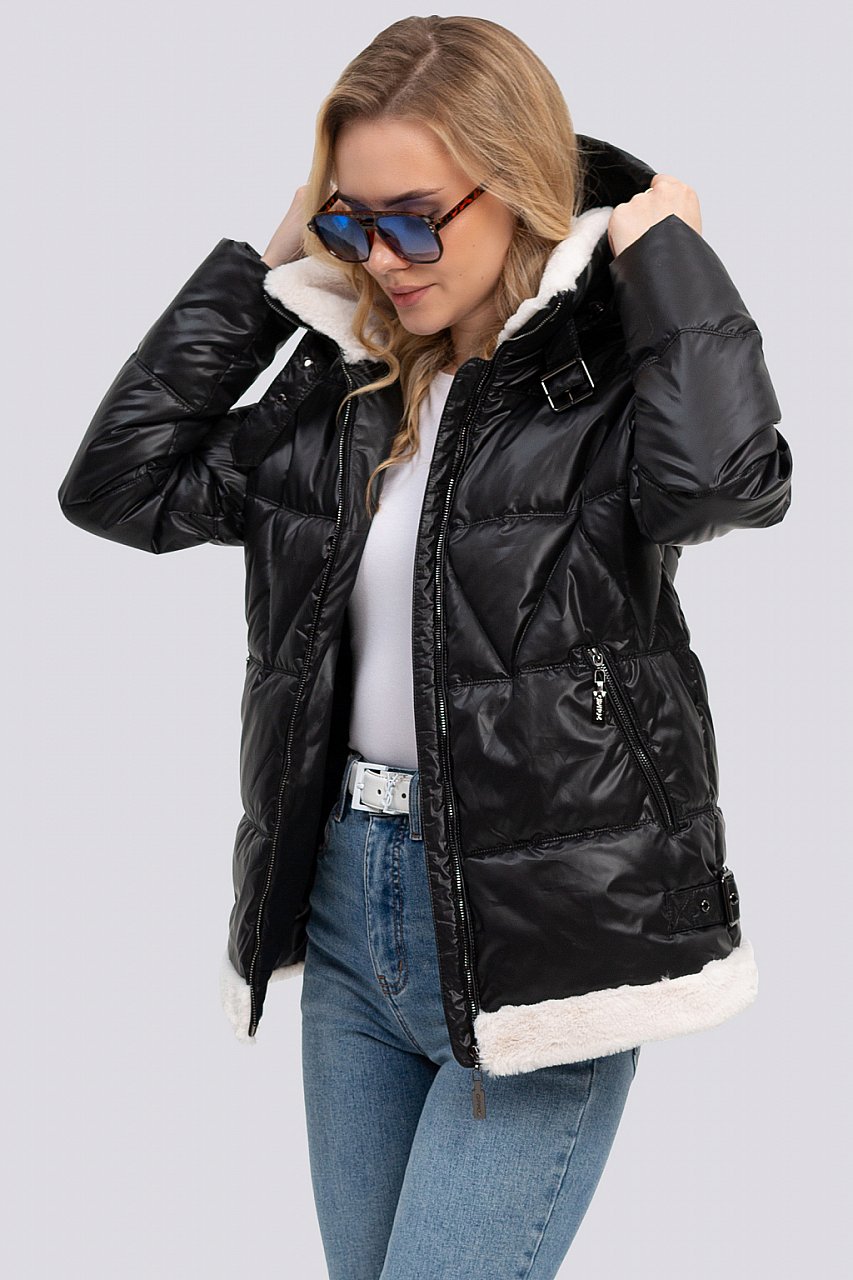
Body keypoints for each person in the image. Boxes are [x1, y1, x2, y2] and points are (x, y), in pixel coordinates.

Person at [56, 14, 793, 1279]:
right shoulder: (341, 390)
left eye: (414, 220)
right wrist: (269, 266)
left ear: (516, 188)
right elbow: (118, 485)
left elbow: (727, 482)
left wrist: (666, 256)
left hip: (549, 929)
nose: (383, 260)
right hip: (352, 904)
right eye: (354, 222)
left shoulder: (604, 385)